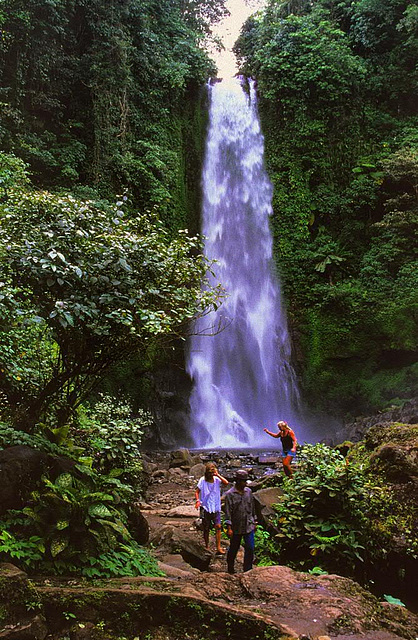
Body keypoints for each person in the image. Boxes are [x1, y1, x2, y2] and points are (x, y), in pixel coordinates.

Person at [224, 469, 257, 574]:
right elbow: (228, 512)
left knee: (250, 547)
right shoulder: (230, 494)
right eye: (243, 481)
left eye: (246, 481)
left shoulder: (249, 492)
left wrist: (254, 521)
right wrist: (229, 527)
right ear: (237, 481)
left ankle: (247, 570)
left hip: (248, 524)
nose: (245, 483)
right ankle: (230, 567)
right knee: (234, 548)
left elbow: (252, 507)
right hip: (236, 526)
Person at [195, 462, 229, 554]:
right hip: (205, 506)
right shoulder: (202, 480)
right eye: (209, 472)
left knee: (218, 526)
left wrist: (217, 475)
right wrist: (198, 501)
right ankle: (206, 546)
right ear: (206, 473)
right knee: (206, 528)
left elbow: (226, 483)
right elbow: (197, 491)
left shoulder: (217, 479)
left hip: (216, 506)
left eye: (212, 472)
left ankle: (218, 547)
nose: (211, 474)